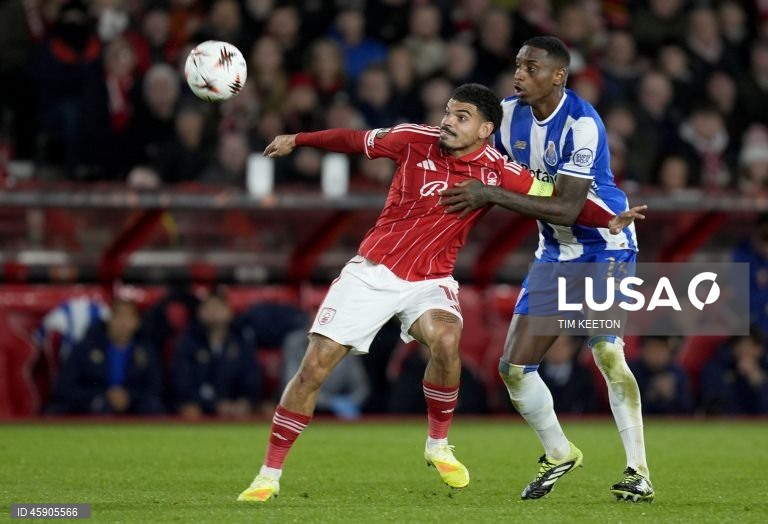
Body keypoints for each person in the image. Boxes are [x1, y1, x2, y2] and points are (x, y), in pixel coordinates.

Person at [236, 83, 642, 502]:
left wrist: (608, 220)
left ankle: (438, 444)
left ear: (486, 130)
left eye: (460, 116)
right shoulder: (413, 140)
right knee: (314, 369)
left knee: (447, 341)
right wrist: (297, 139)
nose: (447, 121)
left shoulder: (498, 172)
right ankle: (268, 475)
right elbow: (354, 140)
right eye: (448, 112)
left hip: (431, 282)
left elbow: (556, 198)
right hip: (374, 272)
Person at [440, 37, 654, 502]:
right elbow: (466, 150)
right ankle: (559, 453)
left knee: (607, 352)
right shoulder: (508, 113)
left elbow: (568, 206)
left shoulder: (582, 124)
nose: (519, 74)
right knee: (514, 368)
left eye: (531, 67)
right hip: (555, 254)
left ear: (558, 75)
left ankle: (638, 471)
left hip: (606, 245)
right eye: (518, 64)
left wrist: (490, 194)